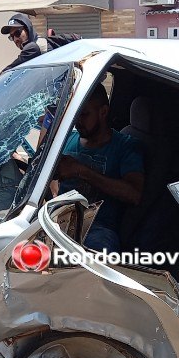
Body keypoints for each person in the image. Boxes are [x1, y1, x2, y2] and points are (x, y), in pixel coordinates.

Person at [55, 83, 144, 252]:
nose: (78, 121)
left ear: (103, 112)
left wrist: (80, 171)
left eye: (85, 114)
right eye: (76, 114)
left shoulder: (126, 146)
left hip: (97, 230)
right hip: (57, 221)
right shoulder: (67, 140)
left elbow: (134, 194)